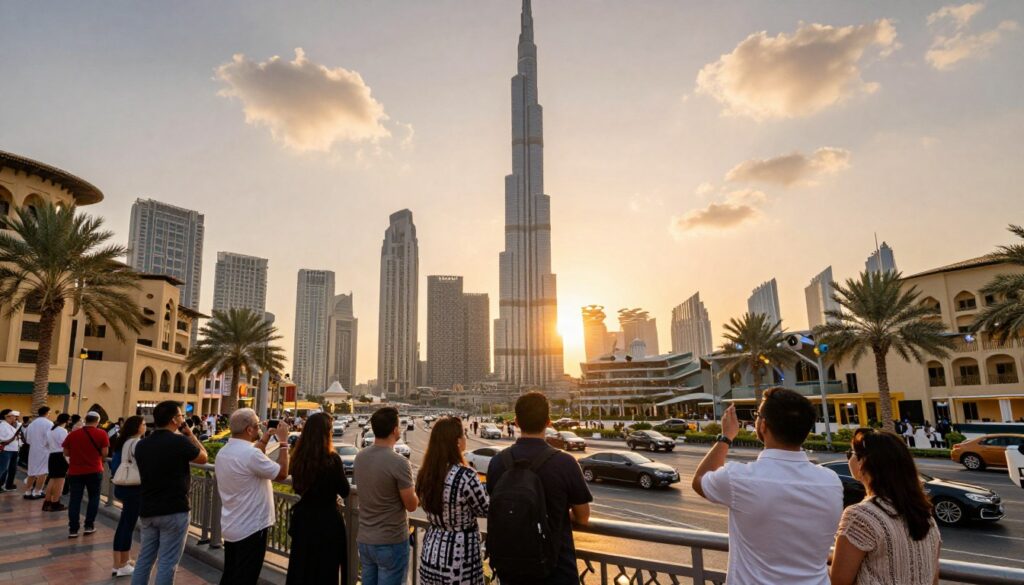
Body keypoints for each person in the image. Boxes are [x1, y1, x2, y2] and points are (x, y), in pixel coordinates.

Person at [692, 388, 843, 585]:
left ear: (762, 425)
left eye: (757, 416)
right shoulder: (831, 481)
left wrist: (726, 437)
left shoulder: (739, 478)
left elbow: (700, 479)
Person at [485, 392, 592, 585]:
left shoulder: (497, 462)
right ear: (549, 422)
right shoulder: (565, 463)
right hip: (556, 572)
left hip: (511, 571)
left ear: (516, 422)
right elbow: (583, 517)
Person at [830, 428, 942, 585]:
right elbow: (933, 578)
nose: (849, 459)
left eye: (851, 454)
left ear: (863, 462)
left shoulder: (860, 515)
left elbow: (839, 581)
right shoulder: (924, 514)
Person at [132, 400, 208, 585]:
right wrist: (190, 434)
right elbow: (203, 458)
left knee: (144, 559)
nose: (183, 419)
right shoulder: (179, 442)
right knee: (167, 562)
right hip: (174, 509)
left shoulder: (142, 445)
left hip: (148, 508)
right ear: (175, 420)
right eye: (181, 416)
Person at [216, 408, 290, 585]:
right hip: (252, 527)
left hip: (232, 524)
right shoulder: (250, 454)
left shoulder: (224, 452)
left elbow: (254, 457)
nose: (260, 428)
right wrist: (284, 442)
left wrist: (265, 438)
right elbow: (281, 474)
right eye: (257, 425)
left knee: (231, 574)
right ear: (249, 430)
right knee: (246, 577)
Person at [416, 416, 488, 585]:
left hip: (431, 551)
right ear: (456, 442)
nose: (465, 439)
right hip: (459, 557)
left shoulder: (425, 473)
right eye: (463, 435)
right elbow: (485, 508)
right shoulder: (465, 475)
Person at [353, 407, 417, 585]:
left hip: (365, 539)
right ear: (395, 430)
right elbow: (411, 505)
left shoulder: (360, 457)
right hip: (390, 541)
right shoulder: (399, 462)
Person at [288, 412, 351, 585]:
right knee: (326, 571)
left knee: (302, 567)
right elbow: (345, 490)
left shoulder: (298, 458)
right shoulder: (332, 460)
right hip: (327, 522)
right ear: (327, 432)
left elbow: (297, 486)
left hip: (303, 520)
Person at [62, 411, 109, 537]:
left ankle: (73, 529)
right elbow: (105, 453)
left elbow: (66, 453)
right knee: (94, 498)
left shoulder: (73, 434)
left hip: (75, 471)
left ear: (86, 420)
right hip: (94, 470)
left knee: (75, 500)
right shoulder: (102, 434)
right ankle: (89, 525)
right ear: (97, 421)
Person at [111, 415, 146, 578]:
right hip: (134, 488)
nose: (145, 426)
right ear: (136, 427)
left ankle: (118, 562)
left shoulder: (123, 442)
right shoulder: (137, 443)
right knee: (128, 524)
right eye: (143, 424)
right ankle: (123, 564)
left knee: (124, 523)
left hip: (122, 486)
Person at [42, 413, 71, 512]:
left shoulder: (50, 430)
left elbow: (45, 444)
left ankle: (47, 502)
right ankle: (55, 503)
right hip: (60, 456)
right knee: (60, 481)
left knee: (52, 480)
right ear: (67, 421)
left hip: (52, 456)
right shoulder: (63, 431)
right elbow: (66, 445)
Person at [24, 406, 53, 499]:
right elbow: (50, 438)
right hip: (44, 450)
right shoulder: (49, 423)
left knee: (31, 471)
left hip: (33, 450)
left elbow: (27, 439)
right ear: (47, 413)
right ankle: (37, 492)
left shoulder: (32, 424)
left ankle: (27, 491)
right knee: (43, 472)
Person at [0, 410, 23, 491]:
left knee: (12, 469)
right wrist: (14, 437)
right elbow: (2, 440)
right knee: (3, 469)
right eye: (13, 415)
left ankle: (8, 485)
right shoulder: (2, 426)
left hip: (14, 450)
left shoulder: (10, 425)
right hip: (6, 450)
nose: (15, 417)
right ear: (6, 417)